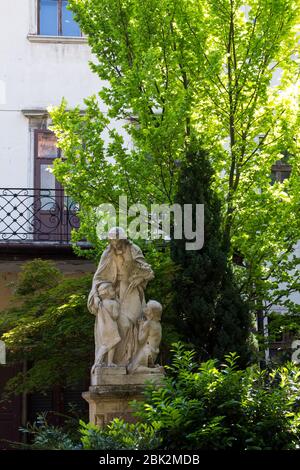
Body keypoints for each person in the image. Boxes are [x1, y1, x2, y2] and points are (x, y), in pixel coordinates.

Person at [88, 227, 154, 366]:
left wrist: (140, 279)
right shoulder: (107, 253)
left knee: (131, 322)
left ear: (123, 239)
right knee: (119, 324)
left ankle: (132, 363)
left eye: (117, 241)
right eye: (112, 241)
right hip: (114, 293)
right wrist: (95, 294)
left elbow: (148, 271)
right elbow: (98, 277)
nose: (115, 244)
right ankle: (117, 362)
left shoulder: (134, 249)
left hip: (132, 289)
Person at [91, 282, 121, 373]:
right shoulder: (113, 303)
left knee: (106, 344)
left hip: (103, 327)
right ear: (107, 292)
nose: (114, 291)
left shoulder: (100, 303)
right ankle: (108, 362)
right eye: (112, 290)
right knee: (112, 343)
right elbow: (115, 316)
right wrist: (118, 303)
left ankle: (100, 362)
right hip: (111, 326)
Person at [127, 300, 162, 373]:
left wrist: (140, 326)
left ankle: (155, 370)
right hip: (154, 353)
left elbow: (140, 340)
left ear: (151, 313)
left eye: (147, 307)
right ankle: (153, 367)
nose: (144, 308)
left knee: (132, 369)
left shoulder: (148, 324)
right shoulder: (158, 325)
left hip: (147, 352)